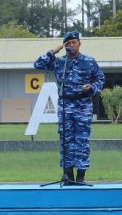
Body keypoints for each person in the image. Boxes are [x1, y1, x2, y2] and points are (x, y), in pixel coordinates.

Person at [34, 30, 105, 184]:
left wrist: (91, 87)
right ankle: (67, 175)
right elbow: (38, 64)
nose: (71, 45)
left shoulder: (89, 61)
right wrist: (56, 50)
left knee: (82, 139)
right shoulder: (60, 62)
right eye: (68, 43)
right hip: (65, 104)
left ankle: (81, 175)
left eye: (74, 42)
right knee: (66, 139)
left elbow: (100, 79)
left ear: (79, 44)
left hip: (83, 104)